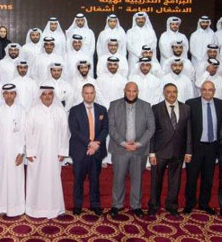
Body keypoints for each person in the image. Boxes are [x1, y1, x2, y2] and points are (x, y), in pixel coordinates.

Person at [107, 82, 155, 216]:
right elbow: (111, 127)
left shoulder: (146, 106)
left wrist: (138, 144)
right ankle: (117, 205)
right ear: (124, 90)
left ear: (138, 92)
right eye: (129, 91)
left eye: (134, 91)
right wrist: (123, 143)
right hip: (120, 149)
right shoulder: (114, 105)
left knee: (137, 179)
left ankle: (136, 205)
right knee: (118, 179)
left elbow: (151, 128)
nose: (131, 94)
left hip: (139, 150)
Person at [25, 85, 70, 219]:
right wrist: (30, 152)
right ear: (40, 96)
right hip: (37, 154)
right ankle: (35, 209)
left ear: (53, 95)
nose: (47, 96)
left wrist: (62, 151)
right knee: (36, 180)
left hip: (54, 153)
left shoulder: (60, 111)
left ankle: (55, 208)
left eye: (50, 94)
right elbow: (28, 132)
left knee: (53, 180)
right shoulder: (33, 111)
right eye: (44, 94)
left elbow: (65, 132)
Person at [147, 83, 190, 216]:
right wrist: (151, 152)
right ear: (164, 93)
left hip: (178, 151)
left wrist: (188, 151)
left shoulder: (186, 108)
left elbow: (189, 131)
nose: (172, 94)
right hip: (160, 151)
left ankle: (172, 206)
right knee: (156, 181)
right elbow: (152, 132)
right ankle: (154, 206)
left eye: (174, 92)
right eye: (169, 92)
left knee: (175, 181)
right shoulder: (156, 108)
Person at [184, 81, 222, 214]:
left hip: (212, 147)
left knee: (208, 178)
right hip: (196, 147)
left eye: (210, 90)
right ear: (201, 90)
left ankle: (204, 204)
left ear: (214, 91)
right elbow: (187, 127)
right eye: (205, 89)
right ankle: (190, 203)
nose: (207, 92)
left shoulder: (220, 104)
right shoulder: (191, 103)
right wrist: (188, 149)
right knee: (191, 178)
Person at [68, 84, 108, 216]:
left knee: (95, 179)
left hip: (96, 151)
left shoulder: (102, 109)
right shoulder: (74, 110)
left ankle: (95, 205)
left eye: (91, 93)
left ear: (95, 94)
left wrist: (96, 144)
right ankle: (77, 205)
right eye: (86, 93)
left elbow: (105, 129)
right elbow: (75, 131)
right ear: (82, 94)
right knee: (78, 180)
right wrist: (90, 143)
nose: (89, 96)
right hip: (80, 151)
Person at [0, 84, 27, 217]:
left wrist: (21, 152)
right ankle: (0, 207)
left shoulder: (21, 111)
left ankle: (16, 208)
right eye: (6, 93)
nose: (9, 96)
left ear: (15, 95)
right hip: (0, 152)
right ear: (3, 95)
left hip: (16, 152)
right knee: (0, 179)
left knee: (15, 180)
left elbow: (24, 132)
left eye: (11, 93)